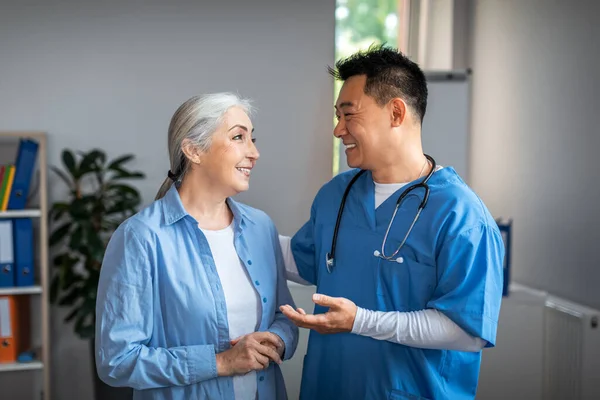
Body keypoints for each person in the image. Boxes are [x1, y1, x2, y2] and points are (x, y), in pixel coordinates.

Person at [279, 45, 505, 400]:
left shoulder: (462, 216)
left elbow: (467, 331)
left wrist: (361, 321)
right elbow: (305, 260)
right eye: (337, 117)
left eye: (348, 115)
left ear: (396, 112)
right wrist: (233, 226)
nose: (338, 130)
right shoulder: (336, 194)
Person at [95, 93, 299, 400]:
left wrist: (275, 339)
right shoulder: (141, 237)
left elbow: (284, 316)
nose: (254, 152)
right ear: (194, 150)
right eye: (238, 137)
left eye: (252, 139)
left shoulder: (261, 228)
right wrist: (221, 362)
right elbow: (117, 361)